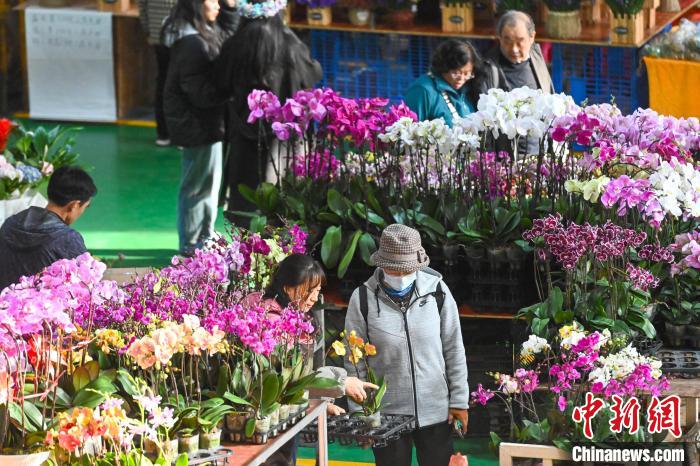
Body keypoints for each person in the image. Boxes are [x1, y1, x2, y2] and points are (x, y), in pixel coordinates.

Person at [344, 224, 470, 466]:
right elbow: (354, 362)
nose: (401, 276)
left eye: (407, 270)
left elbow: (454, 349)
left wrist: (459, 401)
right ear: (381, 263)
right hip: (386, 416)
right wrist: (361, 415)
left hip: (436, 411)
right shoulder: (362, 299)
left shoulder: (438, 292)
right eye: (394, 269)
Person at [242, 253, 378, 466]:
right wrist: (341, 383)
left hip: (286, 416)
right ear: (288, 288)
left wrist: (317, 402)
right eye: (310, 291)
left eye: (318, 291)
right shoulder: (271, 322)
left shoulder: (294, 316)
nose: (315, 297)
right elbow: (285, 383)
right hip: (267, 421)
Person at [215, 0, 323, 212]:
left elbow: (220, 82)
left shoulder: (234, 44)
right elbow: (313, 73)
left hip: (243, 133)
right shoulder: (293, 44)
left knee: (244, 195)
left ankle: (243, 241)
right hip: (284, 137)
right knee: (281, 194)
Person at [163, 0, 238, 256]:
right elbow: (200, 94)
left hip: (202, 123)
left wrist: (229, 9)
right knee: (198, 186)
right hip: (197, 125)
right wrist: (230, 91)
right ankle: (192, 243)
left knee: (207, 184)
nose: (217, 5)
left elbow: (227, 35)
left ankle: (202, 237)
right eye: (213, 0)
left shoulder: (198, 33)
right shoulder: (193, 43)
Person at [0, 166, 96, 289]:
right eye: (85, 206)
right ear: (74, 205)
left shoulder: (10, 224)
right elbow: (87, 286)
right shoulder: (67, 239)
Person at [404, 39, 501, 126]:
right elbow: (409, 133)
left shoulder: (469, 87)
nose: (461, 79)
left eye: (467, 73)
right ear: (444, 67)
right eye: (456, 73)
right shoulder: (423, 91)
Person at [136, 0, 179, 146]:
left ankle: (163, 133)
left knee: (163, 81)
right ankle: (178, 134)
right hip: (181, 32)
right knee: (180, 83)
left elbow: (142, 5)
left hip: (157, 31)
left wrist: (147, 29)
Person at [486, 10, 554, 93]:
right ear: (499, 37)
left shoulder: (536, 55)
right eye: (508, 42)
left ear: (532, 37)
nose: (514, 49)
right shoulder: (488, 69)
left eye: (520, 42)